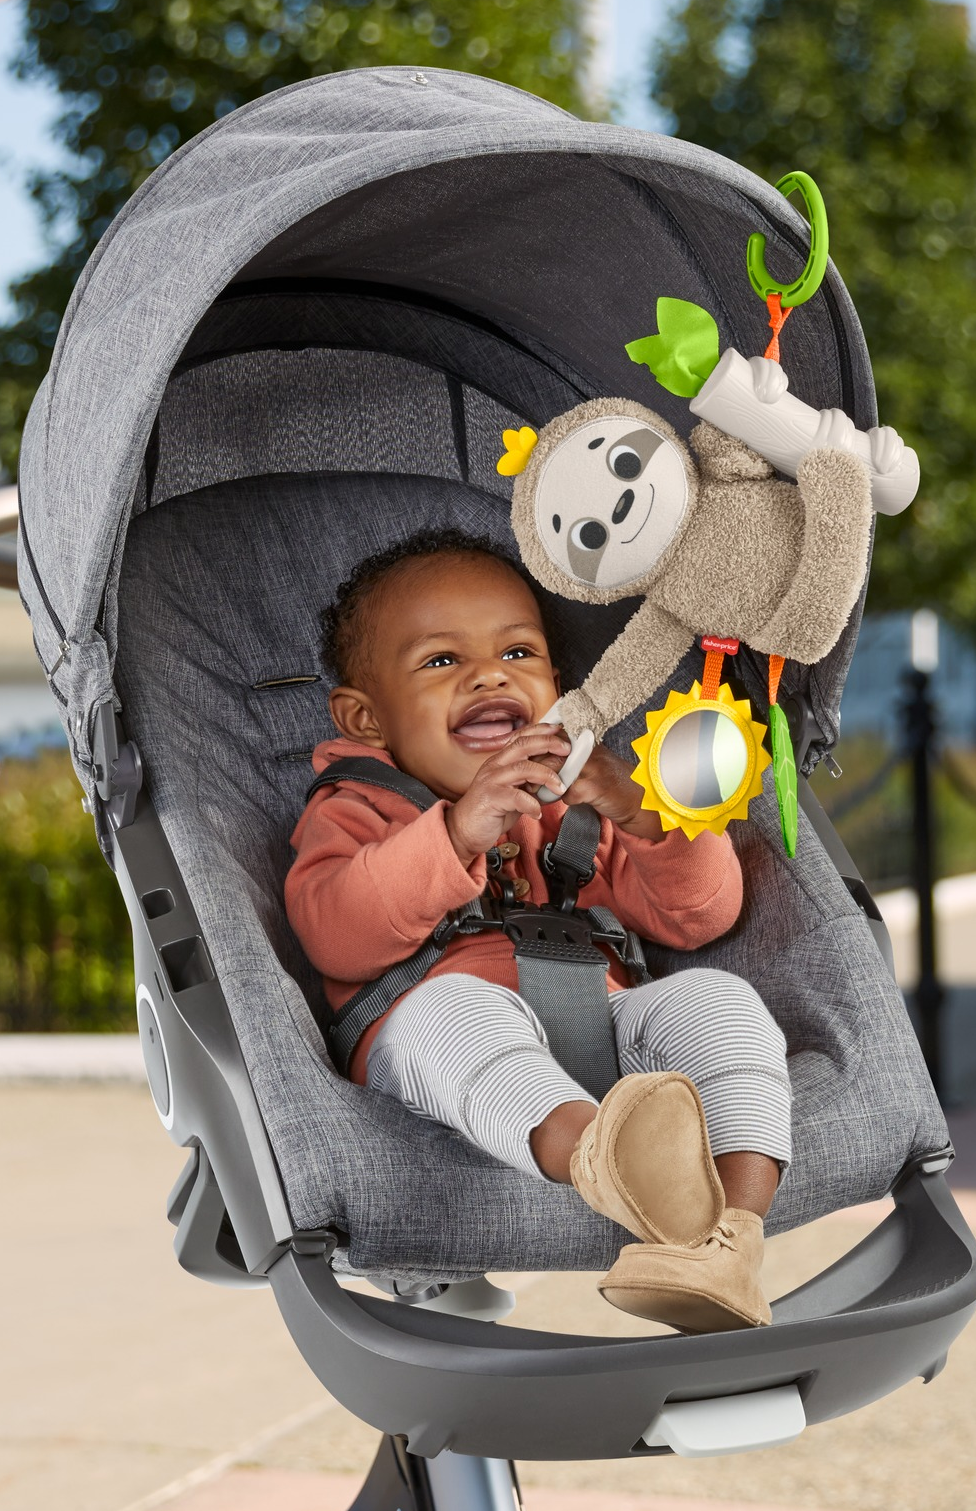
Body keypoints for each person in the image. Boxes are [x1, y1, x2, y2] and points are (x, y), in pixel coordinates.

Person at [286, 531, 792, 1334]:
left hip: (601, 1028)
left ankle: (729, 1240)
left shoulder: (576, 806)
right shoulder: (357, 807)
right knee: (456, 1012)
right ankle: (609, 1166)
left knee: (718, 1000)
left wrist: (641, 814)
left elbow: (701, 917)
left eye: (518, 652)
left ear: (558, 687)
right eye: (442, 663)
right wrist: (455, 833)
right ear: (367, 718)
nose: (490, 674)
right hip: (447, 1052)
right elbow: (335, 935)